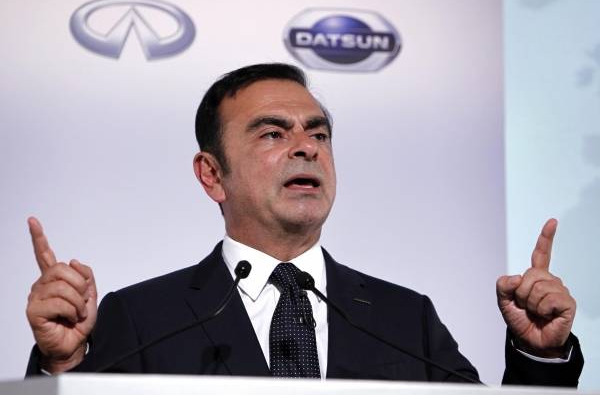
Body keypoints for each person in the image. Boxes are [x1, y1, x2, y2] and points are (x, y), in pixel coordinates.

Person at [25, 63, 583, 385]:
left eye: (318, 134)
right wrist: (63, 365)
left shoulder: (403, 319)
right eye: (273, 133)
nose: (307, 148)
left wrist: (539, 355)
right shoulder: (144, 318)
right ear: (212, 175)